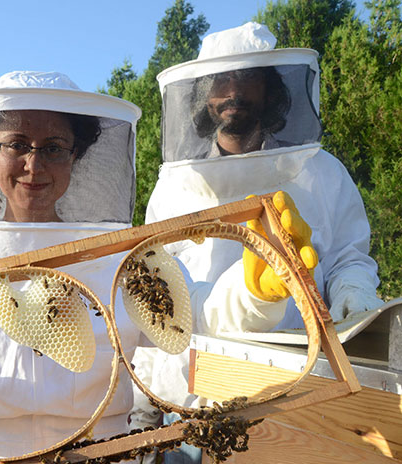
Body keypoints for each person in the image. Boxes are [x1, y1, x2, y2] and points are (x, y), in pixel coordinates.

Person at [0, 71, 307, 464]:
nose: (33, 165)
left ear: (76, 156)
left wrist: (254, 291)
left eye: (54, 148)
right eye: (16, 145)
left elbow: (198, 316)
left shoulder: (121, 257)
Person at [133, 22, 384, 464]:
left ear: (272, 89)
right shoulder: (174, 188)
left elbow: (349, 257)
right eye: (220, 81)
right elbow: (157, 297)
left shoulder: (322, 172)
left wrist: (354, 295)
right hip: (194, 404)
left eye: (246, 78)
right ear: (202, 94)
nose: (232, 91)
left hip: (304, 395)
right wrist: (143, 407)